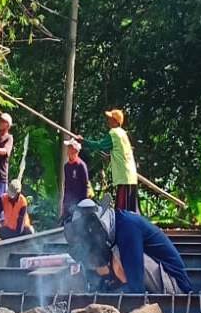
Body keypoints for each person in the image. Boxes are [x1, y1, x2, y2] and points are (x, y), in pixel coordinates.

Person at [63, 200, 193, 295]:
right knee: (109, 255)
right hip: (151, 280)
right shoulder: (117, 228)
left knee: (119, 253)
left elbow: (136, 285)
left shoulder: (128, 228)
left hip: (175, 286)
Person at [81, 109, 138, 212]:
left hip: (123, 176)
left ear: (116, 121)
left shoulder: (114, 133)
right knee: (130, 209)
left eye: (110, 119)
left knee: (122, 210)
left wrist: (83, 141)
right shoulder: (123, 133)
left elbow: (100, 145)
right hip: (131, 175)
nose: (108, 121)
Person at [60, 137, 90, 222]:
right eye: (68, 148)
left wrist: (83, 205)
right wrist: (64, 204)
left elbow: (85, 186)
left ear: (75, 150)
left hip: (79, 202)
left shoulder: (81, 165)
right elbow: (66, 186)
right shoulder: (66, 166)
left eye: (70, 148)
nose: (68, 150)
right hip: (69, 202)